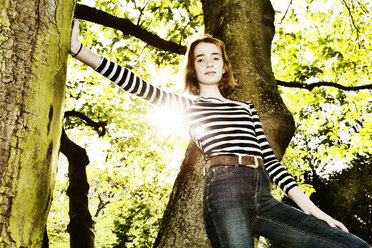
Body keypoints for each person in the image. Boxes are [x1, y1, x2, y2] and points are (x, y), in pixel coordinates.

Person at [70, 19, 370, 248]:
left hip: (262, 195)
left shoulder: (245, 108)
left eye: (215, 57)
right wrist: (79, 50)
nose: (209, 63)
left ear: (224, 66)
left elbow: (272, 162)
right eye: (200, 58)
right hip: (225, 194)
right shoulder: (187, 105)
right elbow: (133, 82)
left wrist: (316, 211)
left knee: (351, 244)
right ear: (193, 69)